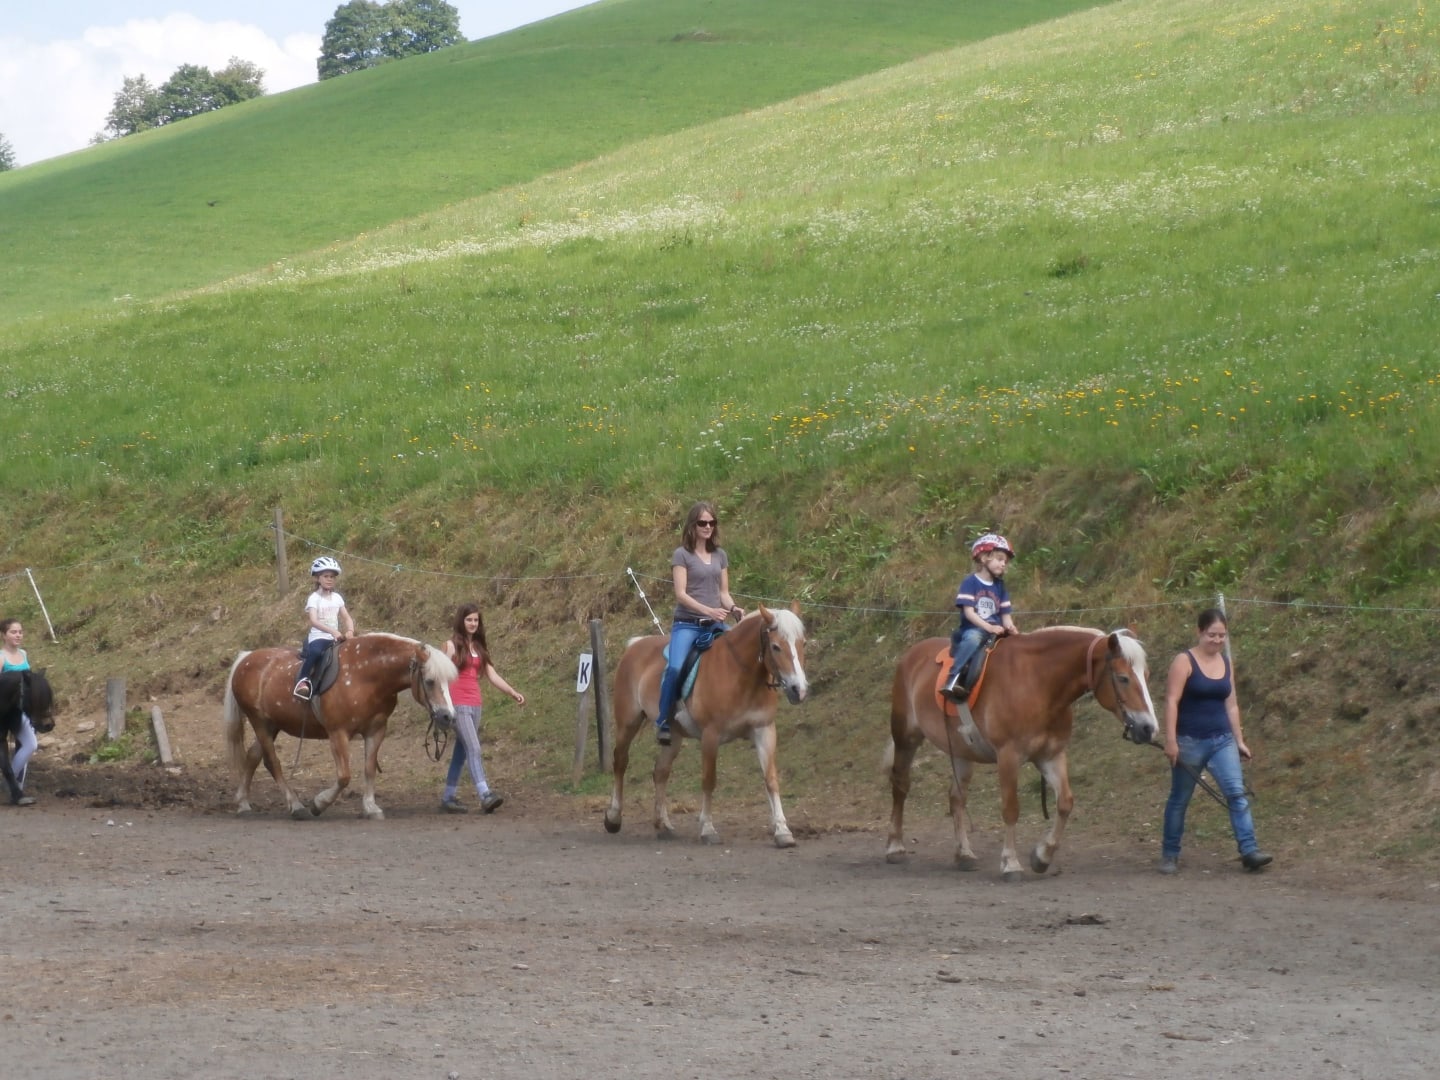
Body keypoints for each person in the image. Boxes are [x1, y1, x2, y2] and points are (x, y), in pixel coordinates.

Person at [1159, 608, 1272, 874]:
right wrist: (1171, 741)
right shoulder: (1184, 661)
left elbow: (1231, 705)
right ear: (1199, 632)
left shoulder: (1226, 663)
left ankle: (1249, 851)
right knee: (1180, 799)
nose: (1217, 640)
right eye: (1212, 634)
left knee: (1236, 794)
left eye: (1222, 635)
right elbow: (1171, 701)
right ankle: (1170, 854)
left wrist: (1239, 740)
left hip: (1222, 741)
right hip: (1189, 742)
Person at [654, 500, 744, 745]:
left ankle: (738, 710)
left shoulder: (720, 555)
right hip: (687, 624)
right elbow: (681, 594)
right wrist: (709, 610)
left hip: (714, 625)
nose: (708, 527)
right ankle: (663, 719)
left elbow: (723, 592)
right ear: (693, 525)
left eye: (712, 522)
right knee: (675, 667)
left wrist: (733, 608)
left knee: (740, 655)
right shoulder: (681, 555)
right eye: (703, 522)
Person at [440, 602, 524, 814]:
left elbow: (492, 675)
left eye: (476, 620)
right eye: (469, 619)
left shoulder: (478, 648)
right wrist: (441, 704)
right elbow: (439, 675)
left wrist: (512, 692)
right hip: (457, 704)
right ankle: (485, 794)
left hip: (475, 703)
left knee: (462, 751)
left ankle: (448, 797)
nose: (473, 623)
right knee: (474, 748)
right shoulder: (450, 646)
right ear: (461, 621)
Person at [941, 532, 1020, 701]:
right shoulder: (970, 582)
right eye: (999, 559)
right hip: (974, 628)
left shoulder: (1000, 586)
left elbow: (1005, 615)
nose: (1003, 564)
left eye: (1005, 561)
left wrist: (1010, 627)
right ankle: (954, 677)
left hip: (996, 631)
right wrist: (989, 627)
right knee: (972, 639)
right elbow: (969, 612)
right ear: (984, 558)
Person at [293, 556, 355, 700]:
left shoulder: (337, 597)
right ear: (317, 578)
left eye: (332, 577)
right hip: (319, 636)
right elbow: (314, 621)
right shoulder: (314, 598)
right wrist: (333, 631)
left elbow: (346, 617)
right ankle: (303, 680)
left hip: (336, 637)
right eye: (326, 576)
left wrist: (350, 630)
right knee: (315, 652)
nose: (329, 579)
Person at [1, 618, 39, 806]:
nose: (18, 635)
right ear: (3, 635)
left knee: (30, 744)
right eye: (13, 632)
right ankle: (16, 789)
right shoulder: (1, 657)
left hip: (21, 711)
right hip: (4, 712)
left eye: (20, 632)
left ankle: (11, 784)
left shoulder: (23, 654)